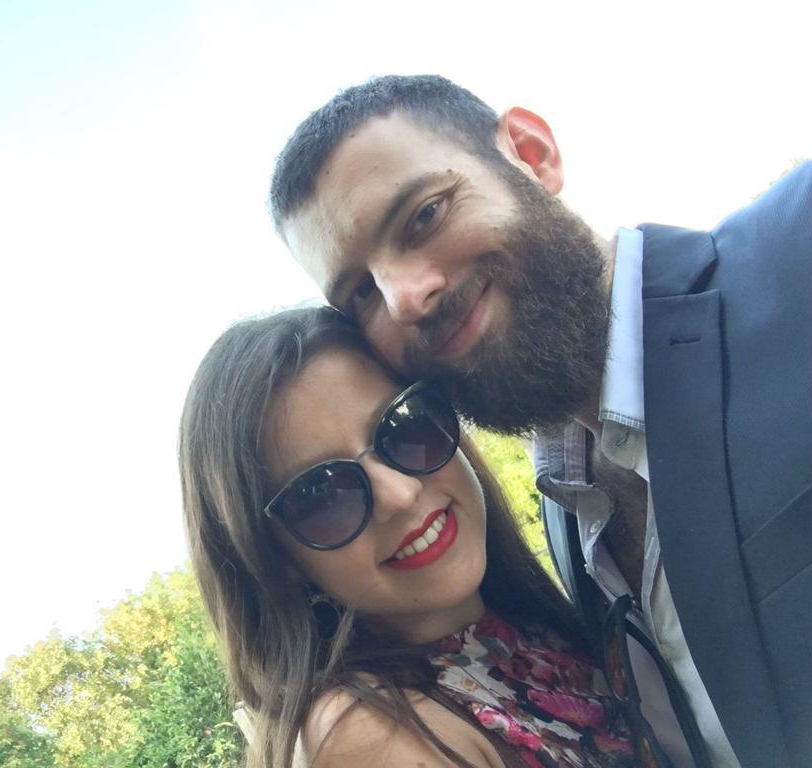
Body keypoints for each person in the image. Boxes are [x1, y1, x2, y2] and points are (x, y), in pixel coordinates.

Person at [268, 74, 811, 768]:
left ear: (531, 153)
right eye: (361, 293)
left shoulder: (796, 255)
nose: (403, 299)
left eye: (423, 217)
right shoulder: (565, 505)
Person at [179, 306, 649, 768]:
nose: (400, 495)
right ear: (275, 557)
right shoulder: (367, 737)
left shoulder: (529, 630)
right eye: (322, 493)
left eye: (405, 425)